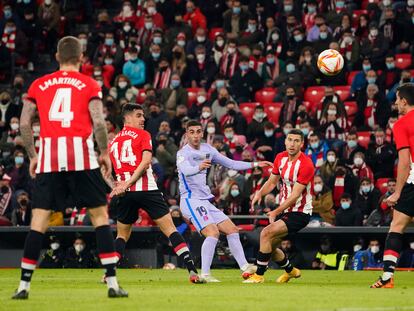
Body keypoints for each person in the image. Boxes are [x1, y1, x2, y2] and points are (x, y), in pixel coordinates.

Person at [12, 36, 127, 299]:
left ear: (56, 57)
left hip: (49, 158)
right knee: (99, 217)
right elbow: (98, 123)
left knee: (38, 222)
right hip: (82, 157)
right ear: (82, 58)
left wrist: (32, 155)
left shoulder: (39, 84)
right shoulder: (89, 83)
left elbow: (24, 124)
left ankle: (23, 287)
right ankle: (111, 284)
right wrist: (104, 152)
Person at [109, 104, 204, 284]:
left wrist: (120, 185)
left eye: (143, 116)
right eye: (138, 115)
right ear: (127, 119)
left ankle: (108, 273)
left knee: (122, 236)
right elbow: (146, 163)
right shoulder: (143, 135)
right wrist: (129, 182)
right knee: (171, 230)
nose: (143, 119)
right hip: (147, 189)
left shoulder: (113, 142)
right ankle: (192, 271)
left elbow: (111, 172)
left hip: (125, 194)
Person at [176, 120, 272, 282]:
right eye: (191, 132)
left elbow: (231, 163)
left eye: (198, 131)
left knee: (232, 229)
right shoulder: (183, 153)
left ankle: (244, 267)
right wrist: (199, 167)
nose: (195, 135)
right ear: (187, 134)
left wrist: (255, 163)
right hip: (190, 200)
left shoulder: (208, 149)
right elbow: (185, 171)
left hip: (204, 200)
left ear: (202, 133)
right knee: (213, 233)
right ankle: (205, 274)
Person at [244, 129, 314, 283]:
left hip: (300, 212)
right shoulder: (280, 158)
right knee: (270, 246)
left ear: (302, 144)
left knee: (265, 233)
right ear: (285, 141)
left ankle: (259, 274)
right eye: (290, 139)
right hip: (285, 209)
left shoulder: (306, 164)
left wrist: (275, 211)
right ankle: (291, 271)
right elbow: (271, 182)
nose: (292, 144)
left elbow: (295, 195)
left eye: (296, 141)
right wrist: (259, 193)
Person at [371, 83, 414, 288]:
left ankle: (387, 277)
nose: (395, 103)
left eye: (397, 99)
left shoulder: (401, 124)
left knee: (396, 227)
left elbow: (404, 161)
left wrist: (397, 192)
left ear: (404, 101)